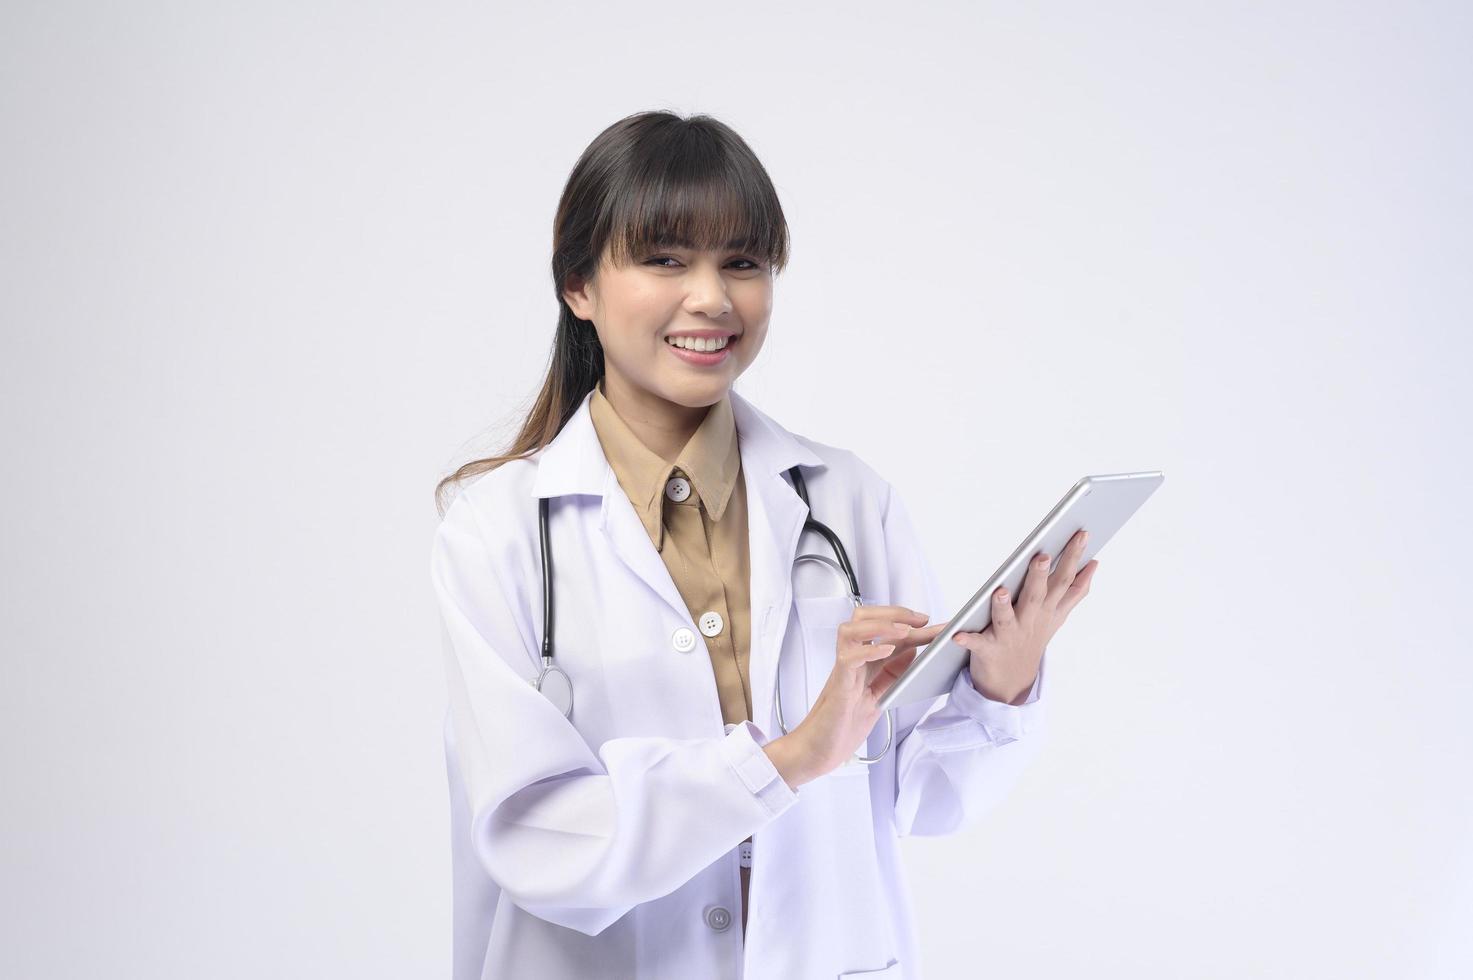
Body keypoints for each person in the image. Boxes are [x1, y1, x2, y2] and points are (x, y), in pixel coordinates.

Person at [431, 109, 1097, 980]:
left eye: (741, 262)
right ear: (578, 286)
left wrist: (1000, 687)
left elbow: (917, 797)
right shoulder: (497, 533)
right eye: (666, 259)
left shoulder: (847, 499)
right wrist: (787, 758)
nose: (711, 298)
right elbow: (539, 843)